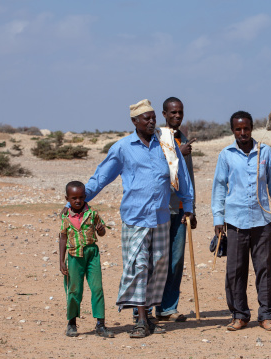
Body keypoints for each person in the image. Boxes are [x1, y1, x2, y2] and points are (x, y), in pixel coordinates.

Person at [81, 99, 194, 338]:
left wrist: (188, 205)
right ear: (134, 121)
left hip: (161, 216)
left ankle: (148, 314)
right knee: (139, 266)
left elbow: (181, 175)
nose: (152, 121)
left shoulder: (166, 145)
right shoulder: (123, 148)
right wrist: (80, 199)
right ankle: (140, 319)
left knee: (158, 267)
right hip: (136, 217)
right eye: (147, 118)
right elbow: (101, 176)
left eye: (154, 117)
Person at [211, 111, 271, 332]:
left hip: (262, 220)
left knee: (265, 269)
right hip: (234, 221)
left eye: (246, 128)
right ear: (232, 130)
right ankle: (239, 315)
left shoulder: (266, 152)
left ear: (252, 128)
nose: (242, 133)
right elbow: (219, 189)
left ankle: (267, 315)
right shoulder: (226, 155)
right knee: (235, 270)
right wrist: (218, 218)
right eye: (238, 129)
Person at [132, 97, 197, 323]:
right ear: (164, 114)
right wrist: (180, 151)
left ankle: (167, 307)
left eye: (180, 112)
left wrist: (192, 208)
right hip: (157, 209)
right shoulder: (157, 138)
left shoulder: (184, 139)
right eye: (173, 113)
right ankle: (141, 308)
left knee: (175, 260)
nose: (177, 116)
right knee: (151, 259)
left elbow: (188, 179)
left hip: (179, 209)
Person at [59, 181, 114, 338]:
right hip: (74, 255)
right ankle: (71, 323)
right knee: (74, 290)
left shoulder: (93, 213)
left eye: (81, 197)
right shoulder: (65, 216)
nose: (78, 201)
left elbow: (101, 232)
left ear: (85, 197)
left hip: (92, 254)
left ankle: (100, 324)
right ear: (67, 198)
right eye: (73, 198)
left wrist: (101, 230)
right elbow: (62, 237)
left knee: (97, 288)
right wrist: (61, 261)